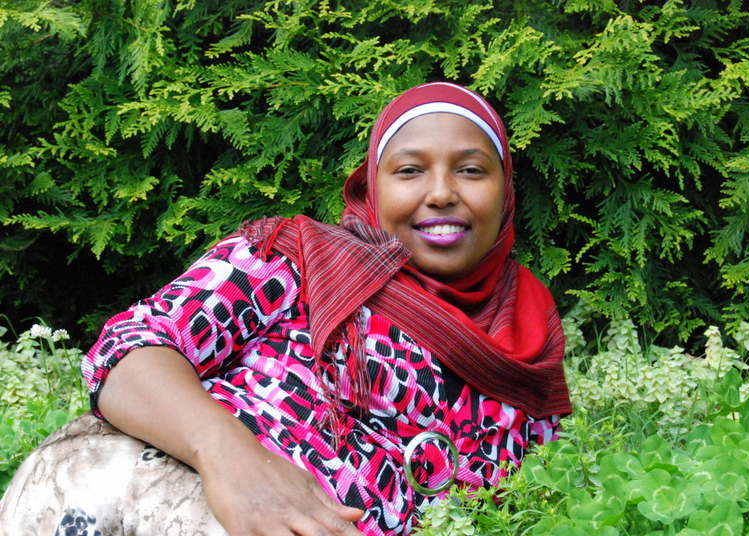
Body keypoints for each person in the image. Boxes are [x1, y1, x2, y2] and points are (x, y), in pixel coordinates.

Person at [0, 82, 571, 536]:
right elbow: (128, 351)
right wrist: (235, 461)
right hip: (118, 499)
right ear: (373, 188)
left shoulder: (528, 347)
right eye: (409, 170)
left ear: (505, 192)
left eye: (471, 169)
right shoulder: (295, 260)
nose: (442, 192)